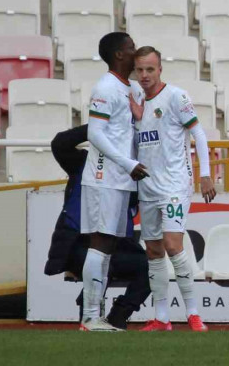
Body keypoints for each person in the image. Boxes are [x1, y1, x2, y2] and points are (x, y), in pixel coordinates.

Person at [130, 46, 216, 332]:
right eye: (140, 69)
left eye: (150, 69)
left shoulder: (176, 96)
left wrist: (206, 174)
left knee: (172, 245)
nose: (144, 75)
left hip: (175, 186)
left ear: (160, 69)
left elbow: (199, 134)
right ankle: (162, 318)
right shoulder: (138, 102)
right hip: (148, 188)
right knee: (153, 250)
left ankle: (193, 314)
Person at [45, 124, 151, 330]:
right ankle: (88, 315)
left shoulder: (136, 171)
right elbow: (59, 144)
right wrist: (98, 124)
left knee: (152, 268)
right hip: (78, 242)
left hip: (118, 243)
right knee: (102, 263)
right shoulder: (84, 162)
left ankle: (119, 315)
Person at [79, 32, 147, 332]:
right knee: (101, 241)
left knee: (108, 245)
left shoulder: (128, 88)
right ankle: (90, 316)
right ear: (119, 54)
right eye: (131, 48)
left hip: (120, 179)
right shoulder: (105, 87)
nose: (136, 52)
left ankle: (96, 315)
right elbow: (95, 133)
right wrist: (128, 163)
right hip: (104, 177)